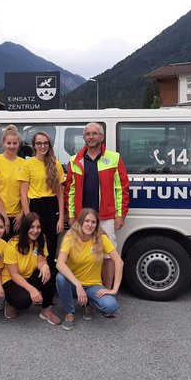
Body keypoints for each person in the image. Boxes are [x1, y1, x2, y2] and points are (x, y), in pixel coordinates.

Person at [65, 122, 129, 289]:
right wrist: (71, 215)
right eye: (88, 134)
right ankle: (83, 291)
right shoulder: (75, 160)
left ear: (102, 137)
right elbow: (70, 191)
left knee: (108, 256)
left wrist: (120, 215)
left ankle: (107, 291)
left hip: (106, 216)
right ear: (84, 137)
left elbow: (121, 188)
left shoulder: (114, 158)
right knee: (79, 254)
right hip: (82, 217)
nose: (91, 137)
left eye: (95, 133)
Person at [55, 208, 124, 331]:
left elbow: (119, 262)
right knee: (60, 278)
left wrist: (114, 289)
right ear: (80, 222)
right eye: (87, 221)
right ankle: (70, 312)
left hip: (92, 285)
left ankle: (89, 303)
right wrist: (77, 284)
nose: (90, 225)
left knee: (111, 306)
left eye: (93, 222)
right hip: (73, 284)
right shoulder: (70, 237)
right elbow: (60, 264)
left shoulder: (101, 238)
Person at [17, 131, 65, 276]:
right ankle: (34, 284)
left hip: (52, 209)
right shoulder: (27, 164)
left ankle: (48, 291)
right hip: (35, 208)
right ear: (34, 146)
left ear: (49, 145)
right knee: (35, 247)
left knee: (49, 248)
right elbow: (23, 195)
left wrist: (61, 218)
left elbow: (60, 195)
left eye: (45, 143)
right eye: (39, 143)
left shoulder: (56, 165)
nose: (42, 146)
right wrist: (28, 217)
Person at [1, 212, 61, 325]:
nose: (35, 230)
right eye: (32, 227)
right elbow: (14, 274)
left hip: (29, 275)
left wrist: (45, 266)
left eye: (38, 227)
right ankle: (10, 302)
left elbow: (41, 261)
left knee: (50, 273)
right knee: (24, 301)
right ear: (25, 227)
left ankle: (46, 310)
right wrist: (32, 289)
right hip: (11, 279)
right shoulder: (13, 244)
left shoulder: (41, 238)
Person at [0, 124, 25, 241]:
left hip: (18, 217)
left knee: (16, 252)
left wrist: (22, 214)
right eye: (9, 143)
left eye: (15, 143)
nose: (12, 146)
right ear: (3, 144)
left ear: (19, 144)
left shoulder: (24, 163)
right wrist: (4, 217)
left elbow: (27, 193)